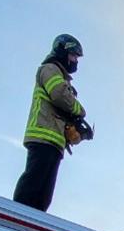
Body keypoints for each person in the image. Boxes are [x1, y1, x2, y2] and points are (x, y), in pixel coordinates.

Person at [13, 34, 86, 212]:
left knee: (43, 196)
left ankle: (32, 227)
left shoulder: (61, 76)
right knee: (31, 187)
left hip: (54, 142)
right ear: (62, 51)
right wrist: (80, 111)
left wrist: (79, 132)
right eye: (73, 55)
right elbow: (60, 95)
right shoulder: (50, 69)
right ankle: (15, 218)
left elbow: (62, 115)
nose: (75, 60)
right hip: (42, 136)